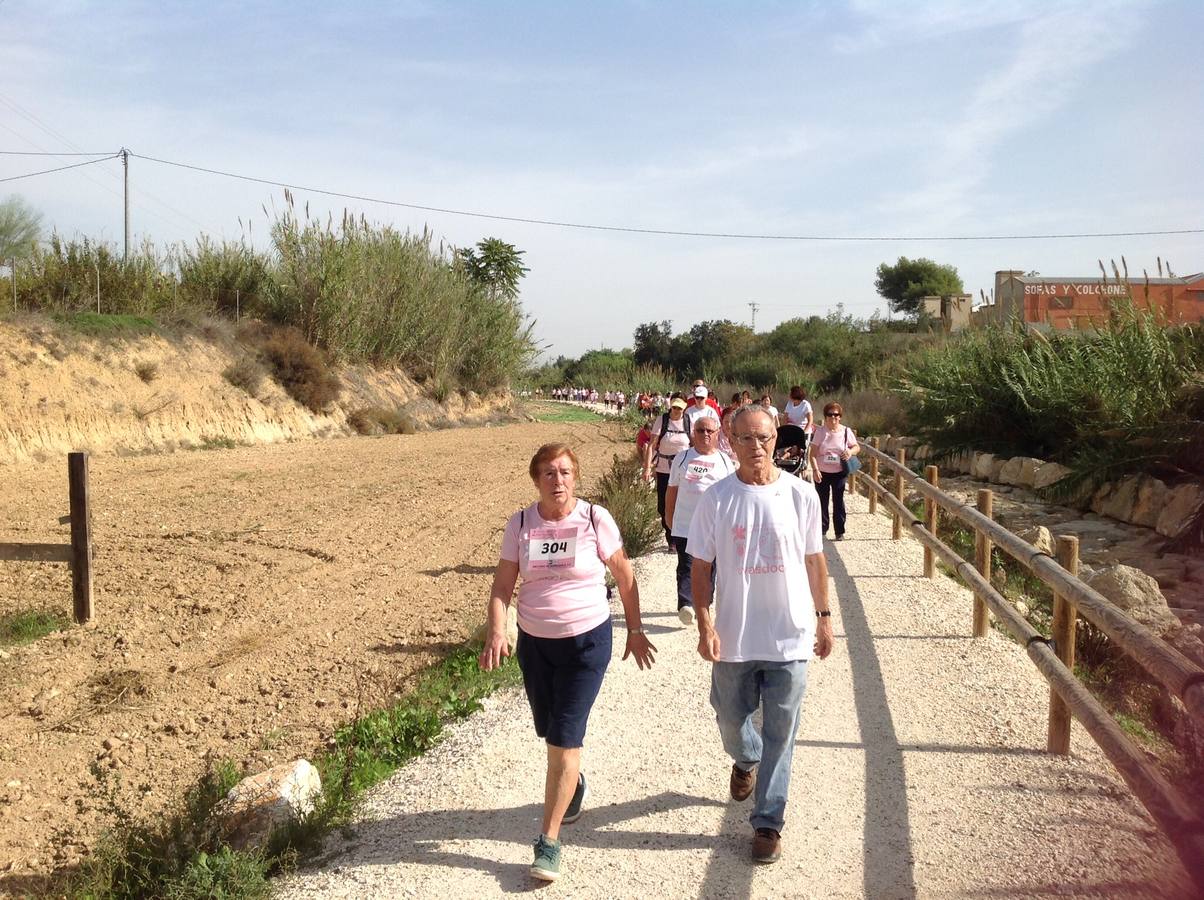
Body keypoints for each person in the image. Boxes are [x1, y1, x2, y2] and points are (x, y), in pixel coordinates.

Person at [480, 443, 657, 882]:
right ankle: (572, 783)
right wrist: (498, 631)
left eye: (564, 472)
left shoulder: (595, 519)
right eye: (547, 473)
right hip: (537, 647)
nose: (557, 481)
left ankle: (549, 842)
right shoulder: (520, 524)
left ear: (575, 476)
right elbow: (503, 586)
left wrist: (634, 630)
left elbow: (624, 574)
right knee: (549, 729)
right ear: (536, 479)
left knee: (564, 736)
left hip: (586, 644)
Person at [686, 406, 834, 864]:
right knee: (731, 721)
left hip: (789, 636)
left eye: (764, 438)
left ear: (777, 441)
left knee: (783, 733)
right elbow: (700, 566)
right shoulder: (716, 498)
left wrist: (824, 616)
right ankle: (745, 758)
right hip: (734, 636)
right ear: (731, 442)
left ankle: (768, 821)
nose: (756, 447)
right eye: (746, 439)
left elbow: (814, 560)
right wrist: (705, 623)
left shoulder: (801, 495)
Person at [664, 415, 736, 625]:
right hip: (686, 524)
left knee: (711, 566)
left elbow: (732, 494)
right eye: (700, 431)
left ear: (717, 434)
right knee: (686, 565)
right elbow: (672, 490)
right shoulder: (682, 458)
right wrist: (669, 517)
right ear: (693, 434)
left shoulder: (725, 461)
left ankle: (705, 600)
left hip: (715, 526)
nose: (705, 434)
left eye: (709, 431)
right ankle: (685, 604)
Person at [643, 393, 692, 545]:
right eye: (675, 407)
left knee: (682, 503)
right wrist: (646, 468)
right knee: (663, 506)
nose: (677, 410)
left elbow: (695, 445)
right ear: (671, 405)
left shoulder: (688, 421)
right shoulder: (662, 420)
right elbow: (651, 445)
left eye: (680, 408)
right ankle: (669, 531)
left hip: (683, 471)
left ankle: (676, 538)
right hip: (664, 469)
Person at [808, 402, 860, 541]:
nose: (833, 418)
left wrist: (850, 451)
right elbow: (812, 454)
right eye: (830, 415)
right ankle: (822, 528)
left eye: (836, 415)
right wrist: (815, 469)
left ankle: (839, 531)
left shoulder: (846, 432)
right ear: (825, 417)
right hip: (822, 472)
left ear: (840, 417)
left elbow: (856, 447)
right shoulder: (820, 432)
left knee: (838, 501)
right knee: (822, 501)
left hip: (839, 472)